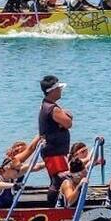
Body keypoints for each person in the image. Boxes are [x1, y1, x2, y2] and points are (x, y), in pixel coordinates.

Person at [38, 75, 73, 205]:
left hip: (55, 150)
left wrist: (64, 119)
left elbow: (66, 120)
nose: (60, 91)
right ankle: (52, 206)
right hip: (54, 151)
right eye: (59, 89)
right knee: (59, 179)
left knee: (58, 179)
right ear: (52, 91)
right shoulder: (53, 109)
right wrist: (65, 118)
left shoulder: (47, 105)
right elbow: (68, 122)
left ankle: (57, 203)